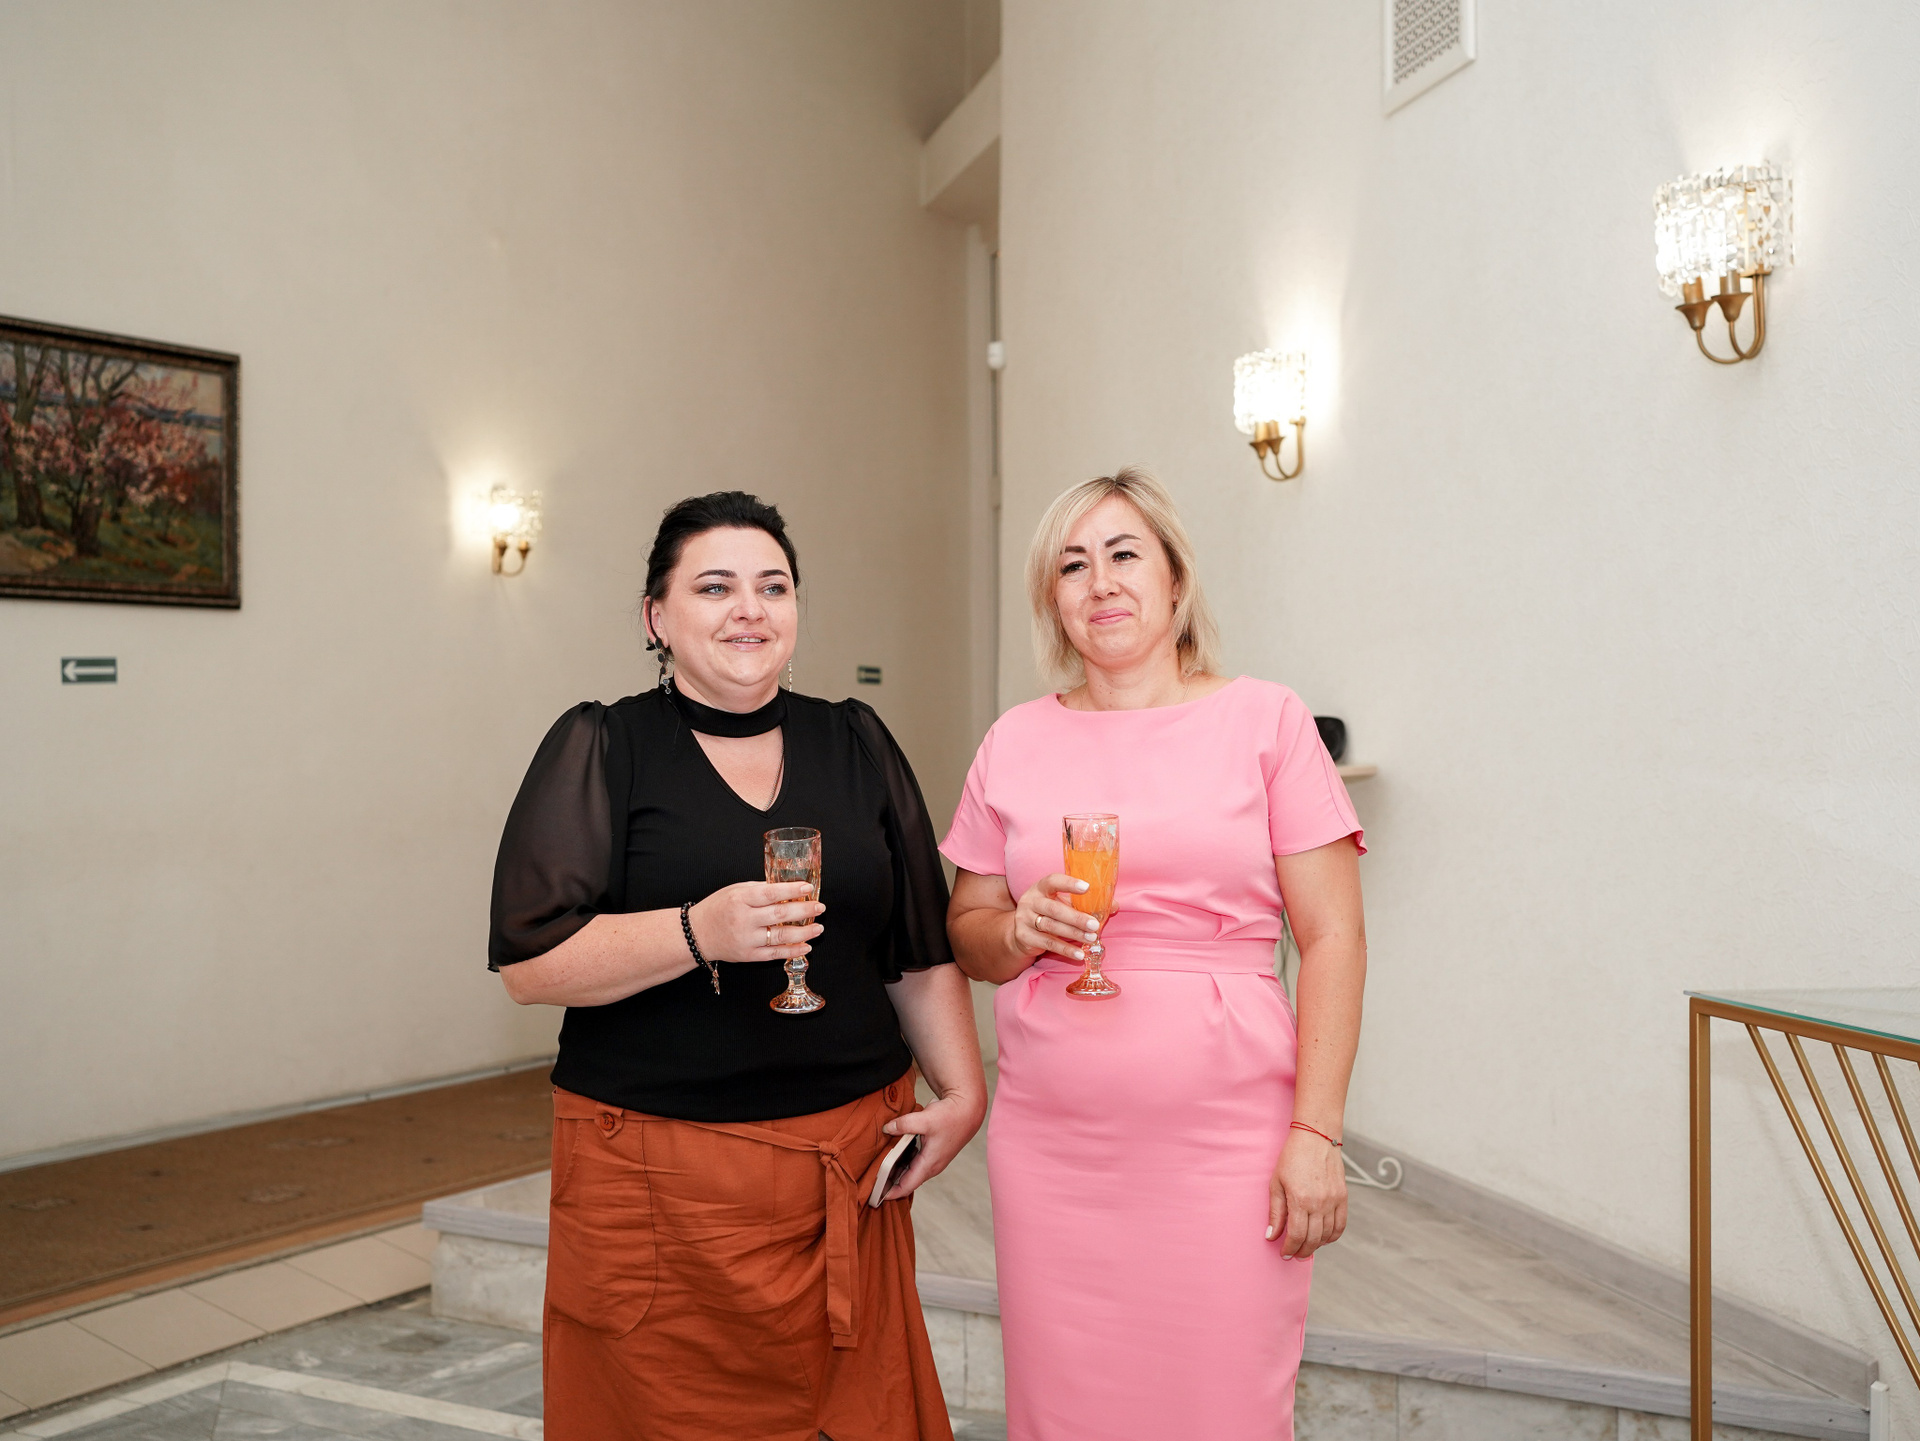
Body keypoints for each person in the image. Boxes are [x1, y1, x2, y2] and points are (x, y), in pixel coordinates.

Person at [489, 491, 987, 1441]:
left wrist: (964, 1092)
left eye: (773, 586)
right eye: (714, 587)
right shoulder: (605, 746)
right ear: (656, 616)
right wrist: (695, 931)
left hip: (847, 1168)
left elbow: (916, 948)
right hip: (660, 1184)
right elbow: (532, 962)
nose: (749, 609)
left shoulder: (857, 740)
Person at [941, 468, 1367, 1441]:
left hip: (1226, 1143)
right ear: (1052, 598)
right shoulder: (1014, 740)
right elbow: (967, 927)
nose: (1100, 581)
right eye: (1072, 565)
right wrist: (1017, 932)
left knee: (1222, 1404)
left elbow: (1334, 938)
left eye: (1124, 554)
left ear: (1176, 577)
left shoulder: (1266, 720)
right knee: (1065, 1409)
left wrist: (1318, 1131)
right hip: (1053, 1148)